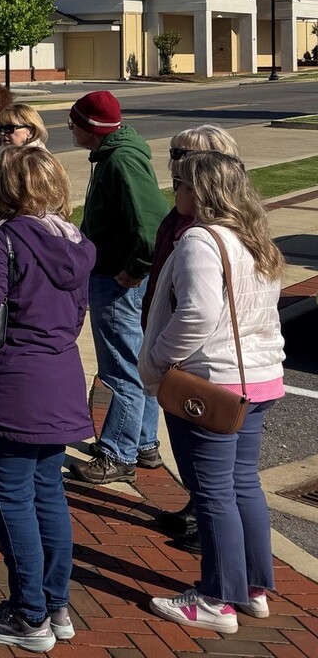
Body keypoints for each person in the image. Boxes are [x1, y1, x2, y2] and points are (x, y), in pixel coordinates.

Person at [0, 145, 96, 652]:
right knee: (47, 494)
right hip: (58, 379)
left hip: (10, 385)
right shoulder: (76, 243)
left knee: (13, 501)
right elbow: (75, 319)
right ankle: (54, 605)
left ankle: (29, 614)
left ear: (4, 190)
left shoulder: (4, 242)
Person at [141, 151, 286, 635]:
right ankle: (252, 588)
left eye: (178, 182)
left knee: (212, 492)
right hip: (257, 378)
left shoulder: (200, 240)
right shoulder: (256, 237)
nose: (173, 190)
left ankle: (216, 598)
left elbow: (198, 315)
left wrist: (159, 359)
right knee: (243, 484)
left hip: (213, 382)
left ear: (199, 191)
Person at [144, 125, 242, 555]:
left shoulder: (209, 229)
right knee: (197, 458)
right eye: (172, 151)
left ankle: (215, 544)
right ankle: (195, 509)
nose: (173, 161)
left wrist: (161, 356)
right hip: (179, 342)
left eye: (182, 154)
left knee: (215, 466)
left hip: (199, 358)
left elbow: (201, 309)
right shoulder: (184, 214)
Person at [65, 91, 170, 484]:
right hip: (115, 276)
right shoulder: (114, 153)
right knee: (135, 363)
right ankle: (142, 443)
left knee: (120, 368)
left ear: (90, 128)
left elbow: (152, 226)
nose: (69, 128)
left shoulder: (121, 160)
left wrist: (136, 269)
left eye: (73, 122)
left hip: (116, 281)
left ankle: (118, 454)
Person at [0, 102, 49, 227]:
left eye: (9, 128)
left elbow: (36, 210)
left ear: (31, 131)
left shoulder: (37, 162)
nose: (2, 134)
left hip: (20, 235)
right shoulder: (5, 157)